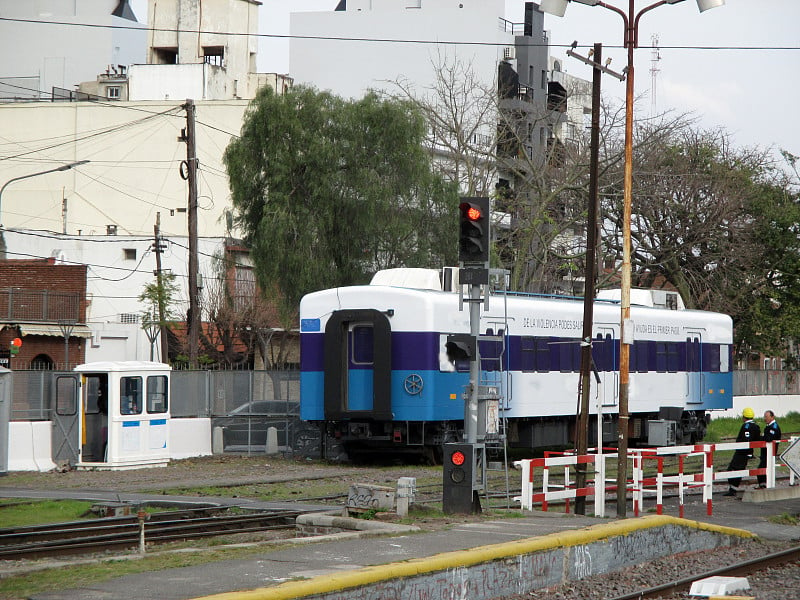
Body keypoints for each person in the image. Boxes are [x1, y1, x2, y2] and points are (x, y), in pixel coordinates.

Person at [724, 407, 760, 497]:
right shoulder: (756, 426)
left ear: (744, 416)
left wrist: (744, 449)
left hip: (741, 453)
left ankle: (733, 489)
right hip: (747, 453)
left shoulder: (746, 426)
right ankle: (733, 488)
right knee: (738, 470)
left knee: (732, 469)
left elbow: (746, 439)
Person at [756, 410, 781, 488]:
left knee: (761, 469)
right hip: (765, 453)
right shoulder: (769, 426)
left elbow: (769, 438)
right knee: (763, 469)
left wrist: (761, 437)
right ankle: (764, 485)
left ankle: (763, 485)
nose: (765, 418)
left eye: (766, 417)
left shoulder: (773, 427)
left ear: (772, 417)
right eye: (764, 417)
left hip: (769, 453)